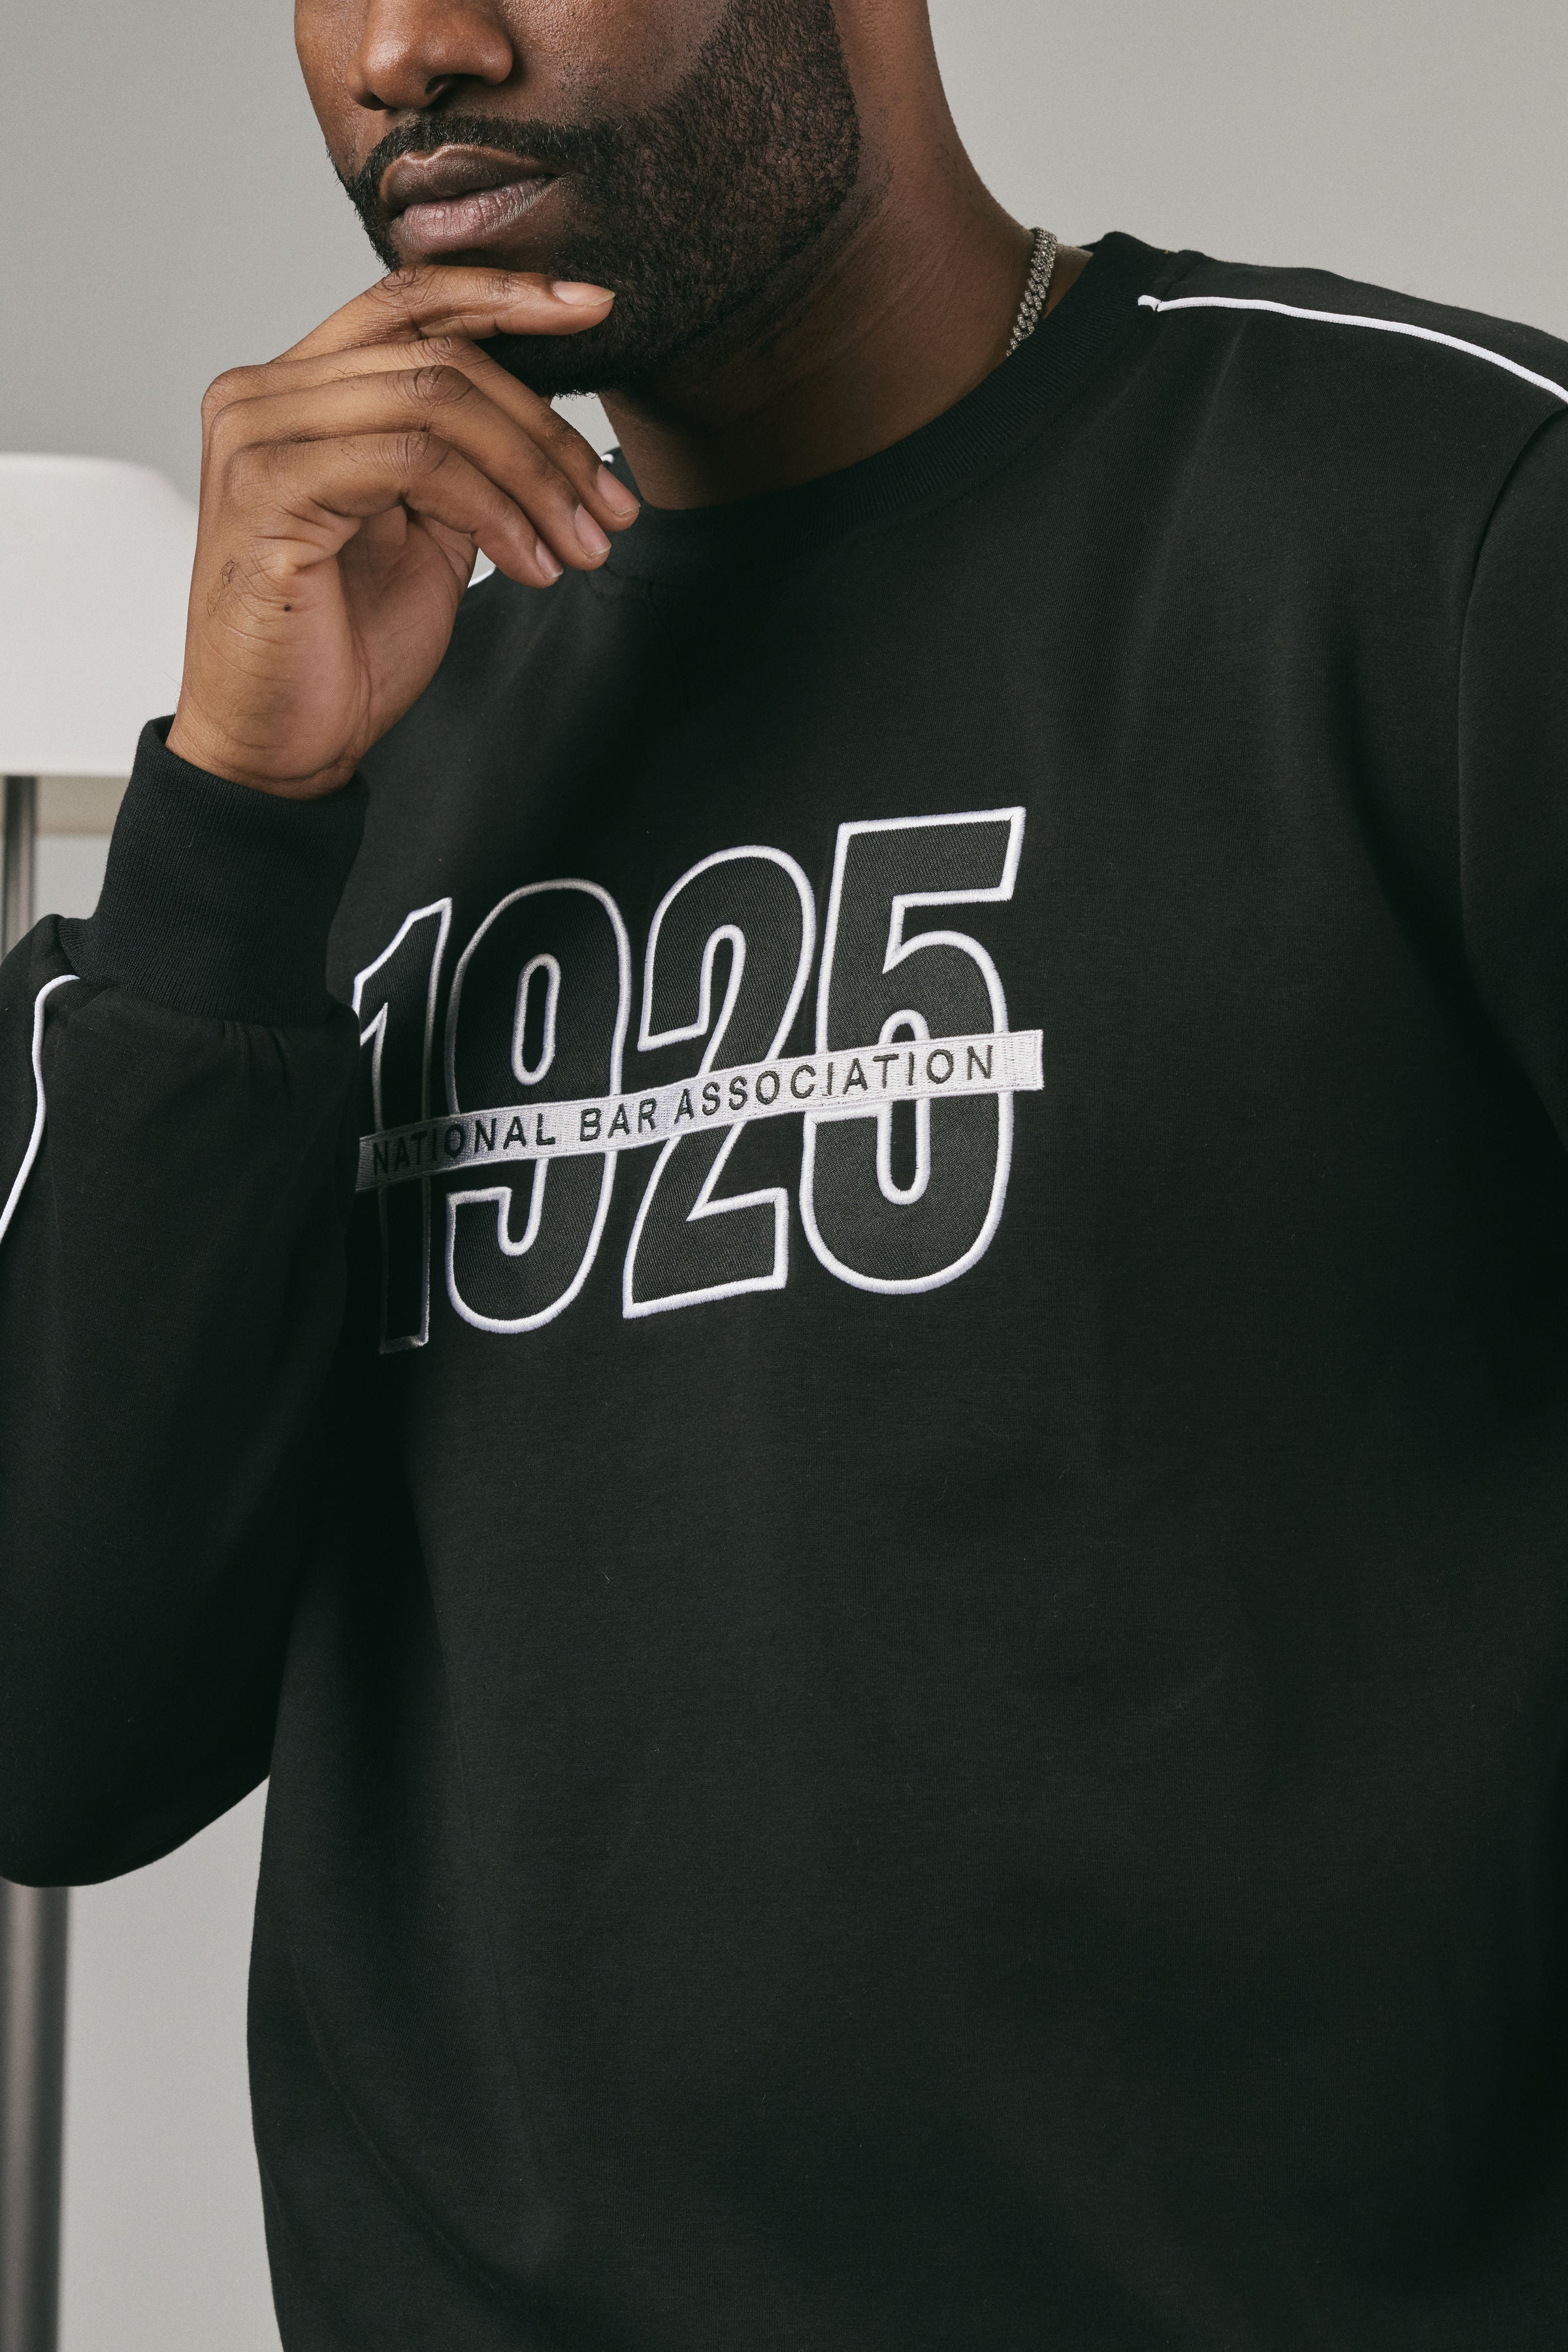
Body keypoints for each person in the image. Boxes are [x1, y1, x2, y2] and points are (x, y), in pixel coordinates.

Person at [3, 0, 1567, 2340]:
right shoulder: (332, 730)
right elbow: (60, 1740)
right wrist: (234, 824)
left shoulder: (1444, 530)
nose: (406, 47)